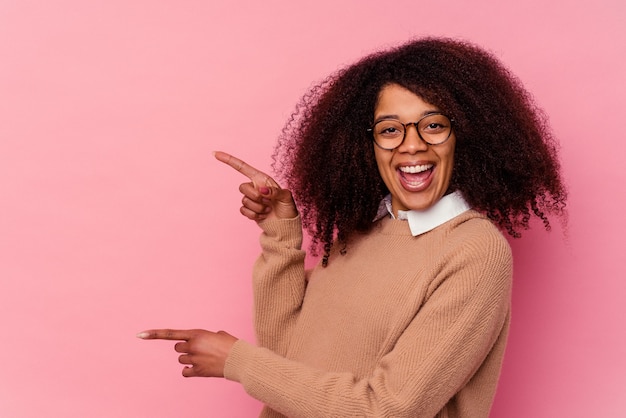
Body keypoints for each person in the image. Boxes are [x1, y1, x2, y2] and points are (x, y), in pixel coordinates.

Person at [138, 37, 567, 417]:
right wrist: (281, 234)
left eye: (433, 125)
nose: (412, 143)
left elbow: (389, 409)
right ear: (367, 144)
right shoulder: (362, 234)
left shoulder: (474, 251)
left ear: (466, 135)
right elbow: (287, 359)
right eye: (390, 129)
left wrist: (236, 361)